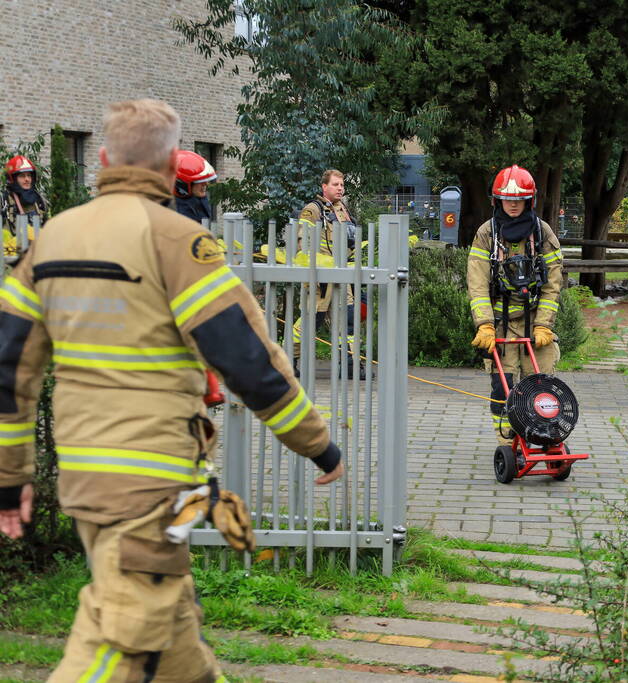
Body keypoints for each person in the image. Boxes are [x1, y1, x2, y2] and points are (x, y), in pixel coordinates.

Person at [0, 98, 344, 682]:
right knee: (124, 637)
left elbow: (10, 370)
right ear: (169, 169)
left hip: (86, 478)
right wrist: (317, 443)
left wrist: (11, 479)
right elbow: (246, 359)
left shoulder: (50, 239)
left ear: (104, 159)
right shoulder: (179, 241)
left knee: (177, 650)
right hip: (154, 480)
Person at [467, 164, 564, 446]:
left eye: (518, 199)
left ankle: (544, 435)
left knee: (541, 385)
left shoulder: (543, 234)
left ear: (528, 200)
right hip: (500, 327)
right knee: (504, 387)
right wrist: (484, 324)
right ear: (498, 200)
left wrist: (545, 325)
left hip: (536, 325)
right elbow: (478, 284)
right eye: (507, 199)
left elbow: (552, 284)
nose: (512, 204)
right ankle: (507, 444)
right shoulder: (487, 234)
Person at [295, 169, 363, 380]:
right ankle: (289, 360)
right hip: (320, 279)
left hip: (343, 275)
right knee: (310, 320)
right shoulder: (313, 210)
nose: (340, 188)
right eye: (335, 184)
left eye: (342, 185)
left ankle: (350, 364)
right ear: (324, 187)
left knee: (348, 320)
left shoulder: (343, 210)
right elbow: (302, 243)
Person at [2, 155, 47, 234]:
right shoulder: (4, 202)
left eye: (29, 175)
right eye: (22, 176)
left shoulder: (39, 200)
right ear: (12, 179)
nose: (27, 179)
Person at [173, 149, 217, 223]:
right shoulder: (176, 217)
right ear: (182, 184)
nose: (206, 184)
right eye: (200, 181)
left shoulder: (198, 202)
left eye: (205, 180)